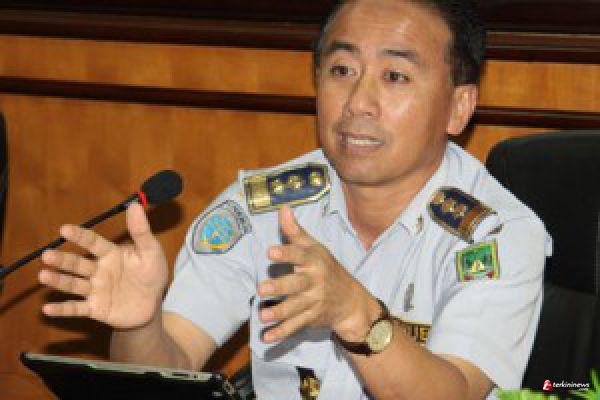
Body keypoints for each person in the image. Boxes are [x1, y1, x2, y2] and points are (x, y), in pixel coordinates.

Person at [38, 0, 551, 399]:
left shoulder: (497, 235)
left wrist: (357, 317)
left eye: (395, 77)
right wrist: (140, 326)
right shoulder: (258, 208)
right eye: (341, 70)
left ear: (458, 107)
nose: (358, 103)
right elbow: (167, 364)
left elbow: (455, 393)